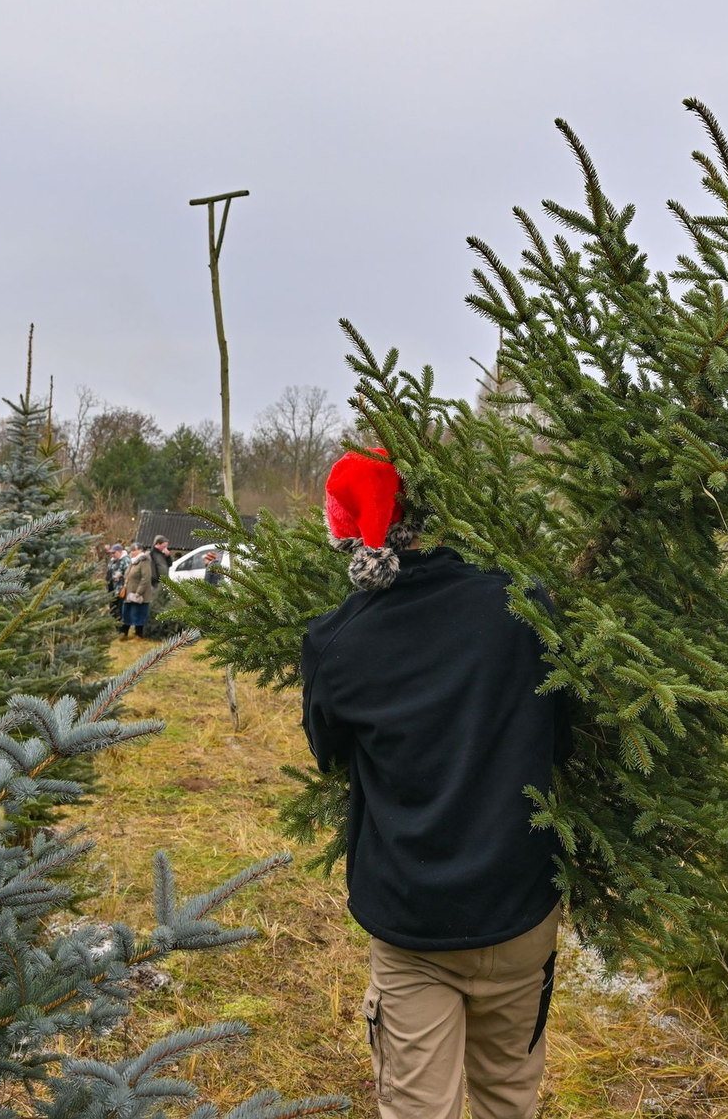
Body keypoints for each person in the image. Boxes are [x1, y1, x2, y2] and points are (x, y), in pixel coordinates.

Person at [300, 448, 574, 1119]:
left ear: (352, 535)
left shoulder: (338, 642)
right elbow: (566, 727)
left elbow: (329, 753)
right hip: (521, 910)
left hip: (413, 925)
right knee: (510, 1097)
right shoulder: (525, 603)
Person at [119, 542, 155, 639]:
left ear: (139, 550)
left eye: (134, 550)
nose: (132, 552)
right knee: (126, 612)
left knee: (138, 613)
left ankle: (138, 635)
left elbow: (146, 578)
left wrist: (138, 592)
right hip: (129, 592)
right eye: (132, 550)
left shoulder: (144, 561)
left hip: (139, 594)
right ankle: (124, 633)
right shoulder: (133, 561)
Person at [105, 543, 130, 618]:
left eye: (114, 553)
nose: (112, 555)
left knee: (119, 609)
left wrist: (120, 577)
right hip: (111, 588)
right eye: (111, 553)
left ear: (120, 551)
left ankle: (119, 626)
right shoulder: (112, 561)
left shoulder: (126, 560)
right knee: (112, 608)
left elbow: (129, 575)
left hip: (120, 589)